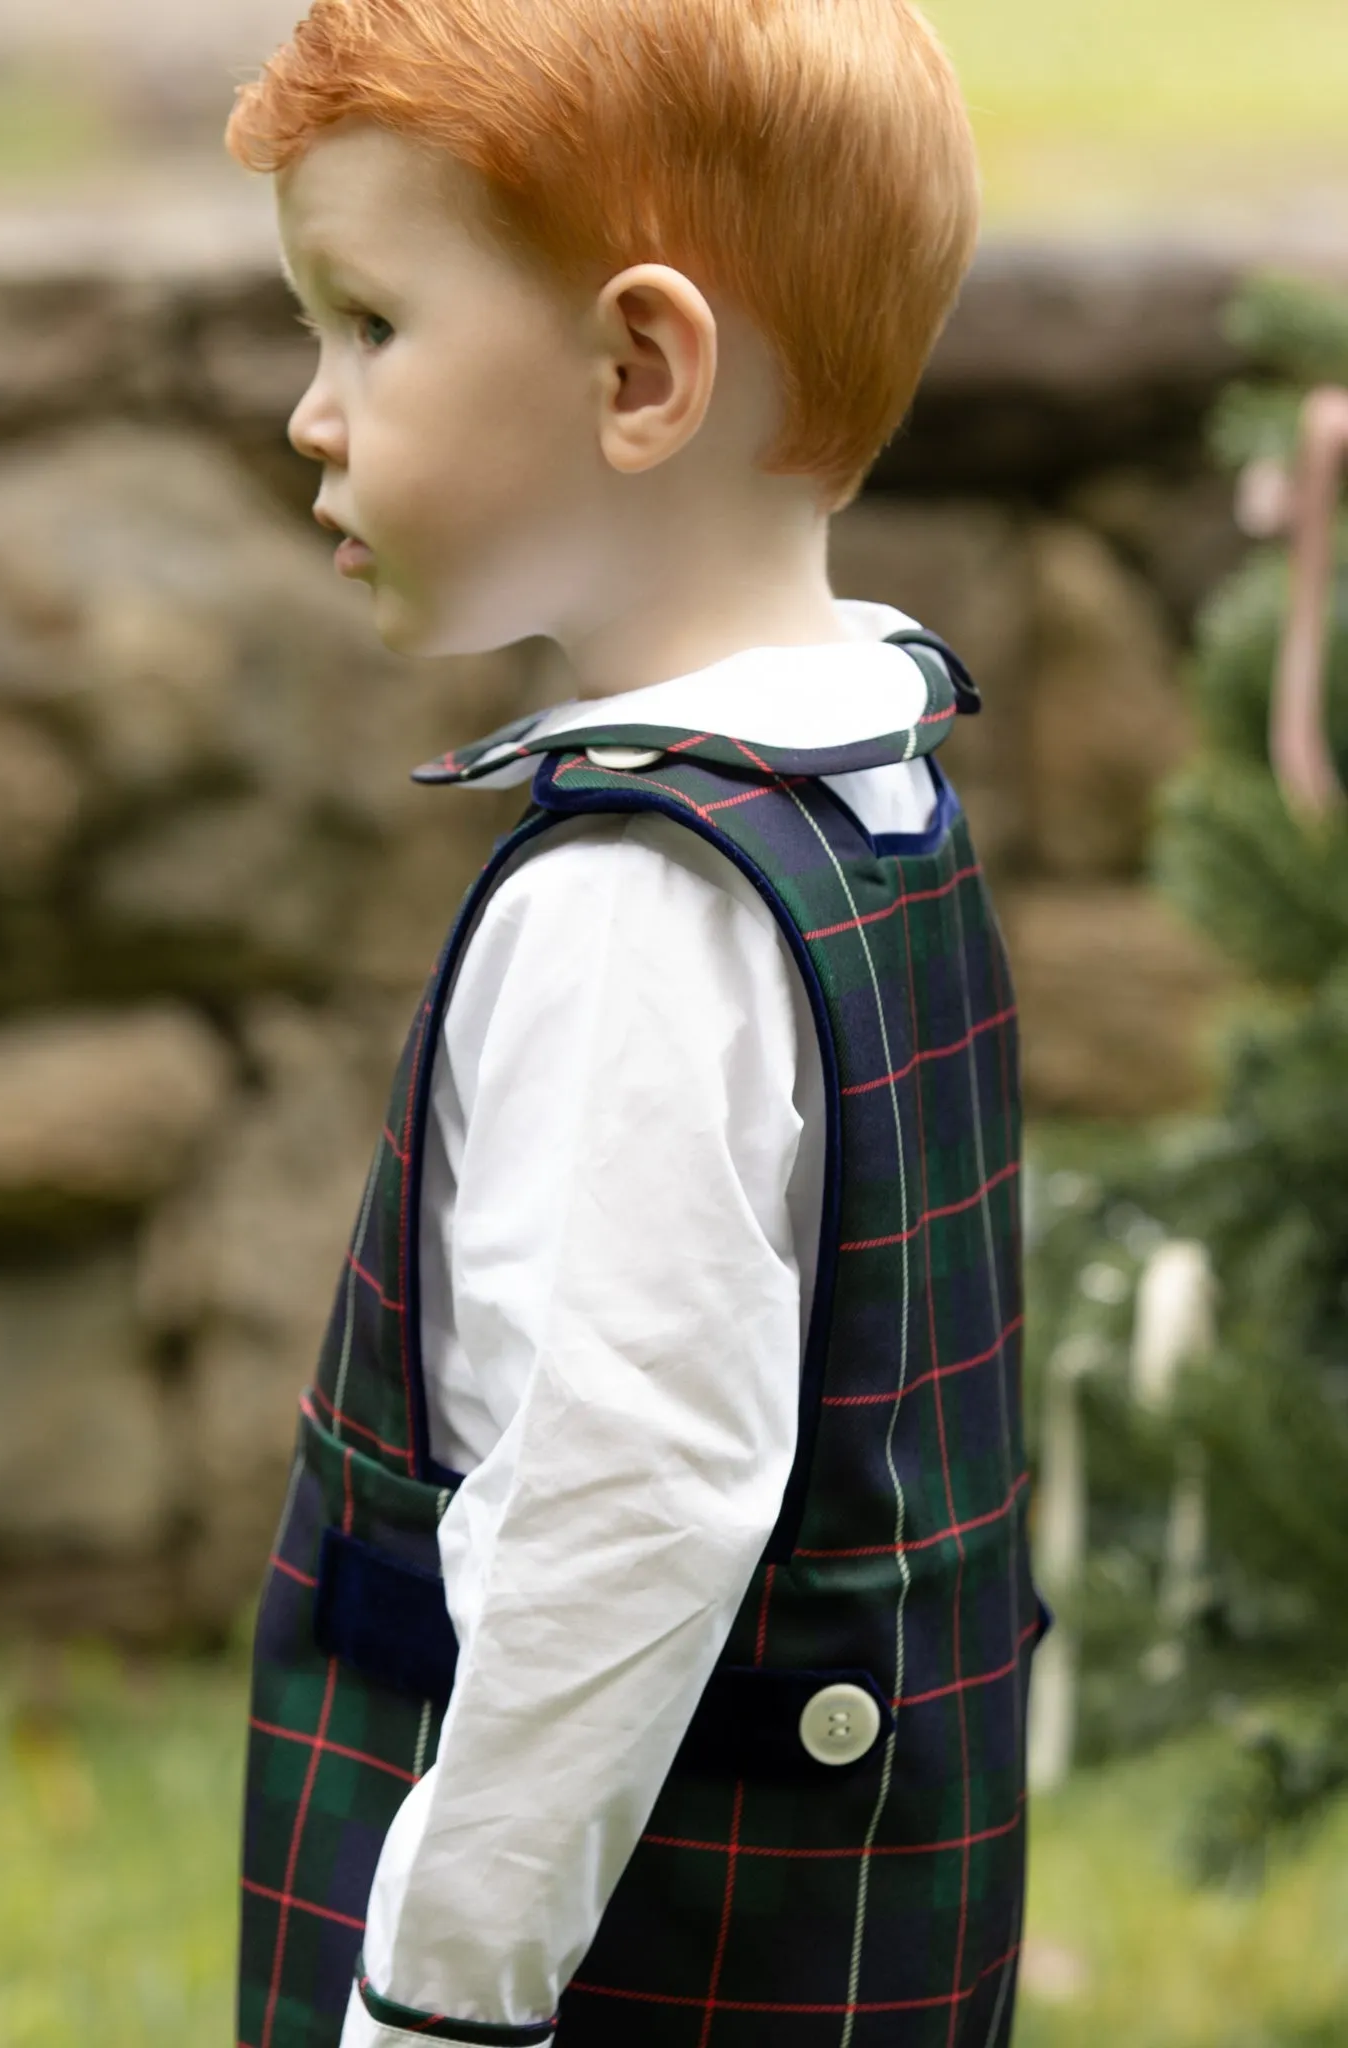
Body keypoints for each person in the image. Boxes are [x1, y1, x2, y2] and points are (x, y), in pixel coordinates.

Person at [226, 3, 1044, 2043]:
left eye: (367, 327)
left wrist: (437, 1998)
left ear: (636, 370)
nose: (310, 412)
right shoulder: (879, 789)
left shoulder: (634, 904)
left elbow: (620, 1502)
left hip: (624, 1978)